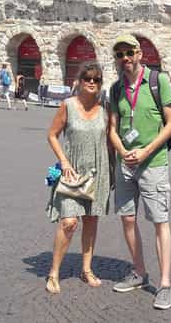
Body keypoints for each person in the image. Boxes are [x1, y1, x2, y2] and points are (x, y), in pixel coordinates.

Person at [109, 34, 171, 310]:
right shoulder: (115, 89)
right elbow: (112, 128)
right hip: (125, 164)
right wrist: (122, 152)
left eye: (128, 53)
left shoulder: (157, 81)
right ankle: (139, 272)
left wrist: (146, 151)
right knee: (127, 219)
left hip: (153, 163)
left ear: (139, 54)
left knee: (160, 221)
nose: (124, 59)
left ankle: (164, 284)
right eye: (119, 55)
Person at [45, 61, 111, 295]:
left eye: (97, 79)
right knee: (69, 222)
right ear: (80, 81)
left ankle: (86, 269)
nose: (92, 82)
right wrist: (63, 162)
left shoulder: (105, 109)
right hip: (72, 171)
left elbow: (113, 140)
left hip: (98, 171)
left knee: (91, 220)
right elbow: (52, 135)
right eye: (87, 78)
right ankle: (54, 273)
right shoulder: (68, 105)